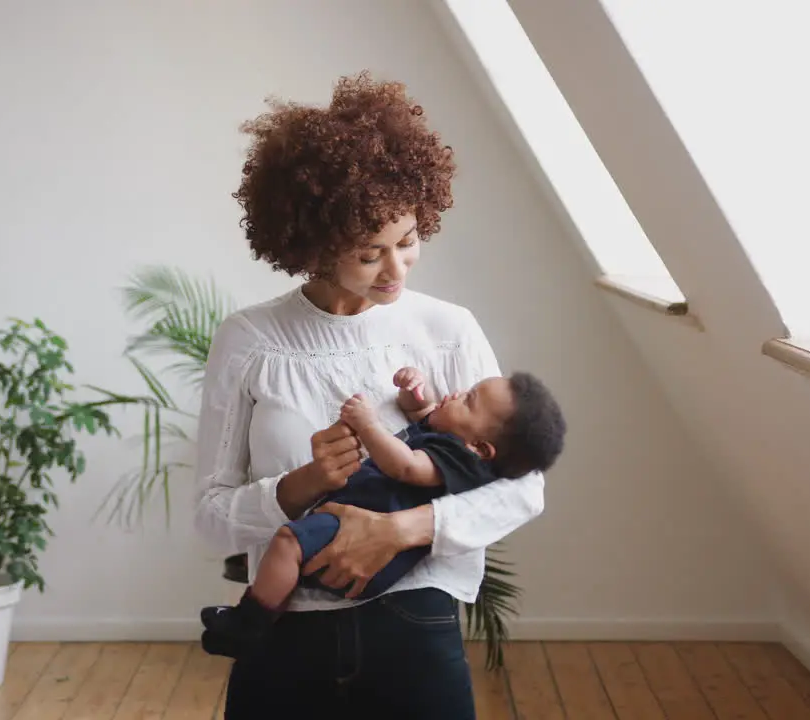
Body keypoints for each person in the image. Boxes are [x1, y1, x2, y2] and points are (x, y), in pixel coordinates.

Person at [193, 71, 548, 719]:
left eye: (408, 242)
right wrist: (298, 484)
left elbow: (524, 487)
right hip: (281, 635)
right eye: (369, 253)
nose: (396, 270)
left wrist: (398, 530)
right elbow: (209, 515)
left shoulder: (447, 330)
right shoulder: (249, 341)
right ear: (315, 247)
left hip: (413, 620)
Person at [200, 367, 566, 660]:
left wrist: (367, 424)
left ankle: (248, 621)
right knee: (290, 549)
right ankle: (266, 620)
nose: (456, 393)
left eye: (468, 400)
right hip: (351, 525)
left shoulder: (460, 461)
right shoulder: (454, 442)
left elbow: (407, 466)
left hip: (360, 542)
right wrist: (415, 397)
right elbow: (424, 423)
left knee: (286, 542)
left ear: (479, 449)